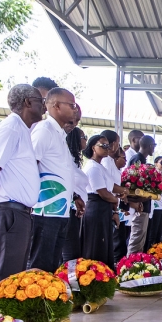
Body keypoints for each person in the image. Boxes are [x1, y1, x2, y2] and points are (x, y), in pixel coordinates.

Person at [0, 85, 43, 301]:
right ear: (28, 102)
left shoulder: (22, 129)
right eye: (40, 100)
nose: (43, 105)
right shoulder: (11, 128)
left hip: (19, 213)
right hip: (7, 211)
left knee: (14, 278)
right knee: (3, 278)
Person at [29, 88, 83, 272]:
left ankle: (49, 300)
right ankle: (37, 300)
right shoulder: (44, 130)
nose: (75, 110)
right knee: (40, 264)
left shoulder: (60, 134)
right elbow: (30, 164)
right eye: (72, 105)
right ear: (56, 106)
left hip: (60, 210)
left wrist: (74, 196)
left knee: (52, 263)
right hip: (45, 210)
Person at [82, 133, 120, 264]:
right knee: (96, 243)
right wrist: (116, 200)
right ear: (93, 147)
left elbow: (111, 188)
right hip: (96, 207)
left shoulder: (101, 167)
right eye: (103, 145)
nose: (106, 148)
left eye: (108, 145)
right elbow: (103, 192)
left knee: (104, 243)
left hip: (104, 208)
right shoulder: (92, 167)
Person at [61, 126, 89, 267]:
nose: (86, 141)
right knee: (70, 251)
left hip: (77, 209)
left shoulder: (75, 161)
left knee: (75, 248)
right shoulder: (67, 160)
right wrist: (75, 197)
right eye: (84, 137)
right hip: (69, 208)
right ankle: (68, 281)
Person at [126, 135, 156, 255]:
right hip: (139, 204)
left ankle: (136, 264)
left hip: (144, 203)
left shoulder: (142, 160)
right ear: (149, 146)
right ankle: (130, 268)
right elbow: (132, 183)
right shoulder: (137, 159)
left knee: (140, 239)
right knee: (136, 239)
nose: (154, 148)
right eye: (153, 146)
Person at [147, 156, 162, 248]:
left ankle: (158, 253)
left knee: (159, 233)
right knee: (153, 232)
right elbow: (153, 189)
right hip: (156, 207)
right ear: (156, 163)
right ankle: (150, 253)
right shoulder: (153, 175)